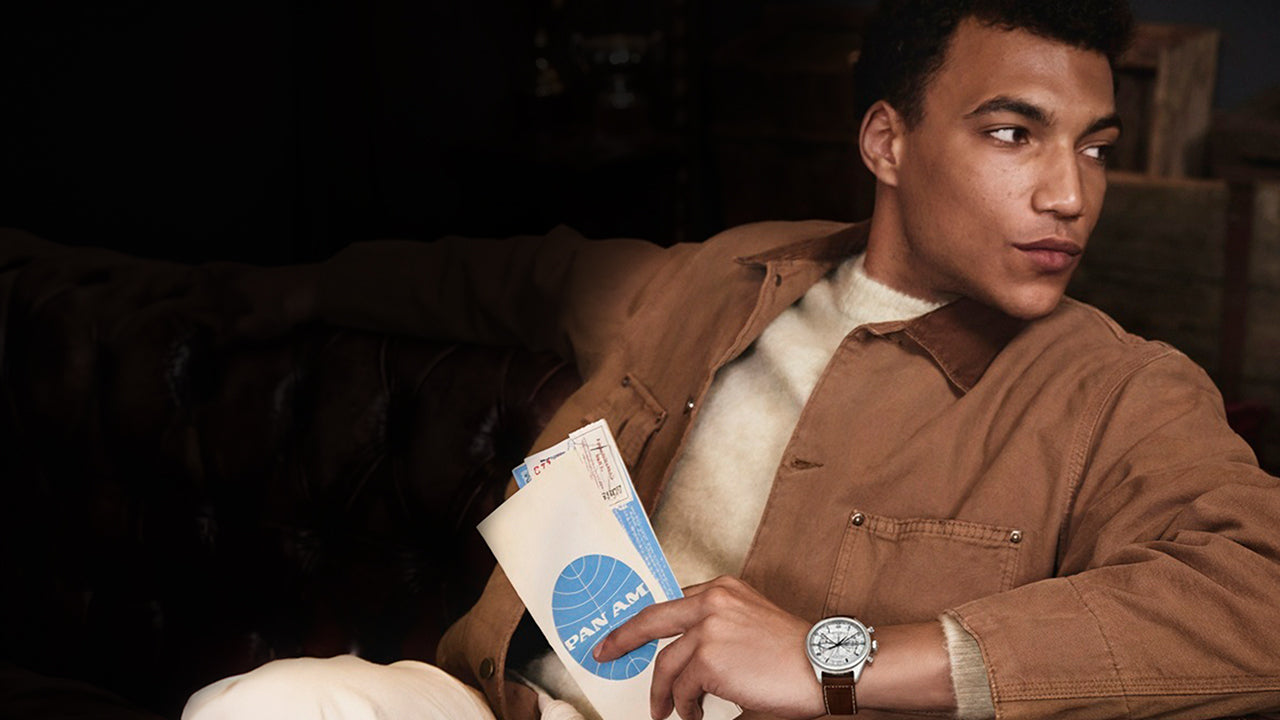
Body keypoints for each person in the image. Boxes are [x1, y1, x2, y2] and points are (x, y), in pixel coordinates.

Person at [185, 0, 1280, 719]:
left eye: (1092, 147)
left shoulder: (1114, 389)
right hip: (502, 701)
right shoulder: (732, 275)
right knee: (257, 706)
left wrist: (835, 657)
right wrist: (308, 287)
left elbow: (1258, 599)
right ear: (886, 143)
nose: (1069, 193)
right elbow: (518, 277)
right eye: (1013, 133)